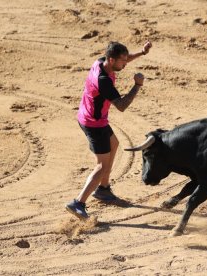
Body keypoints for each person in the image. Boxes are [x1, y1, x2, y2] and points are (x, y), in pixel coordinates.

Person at [65, 41, 152, 220]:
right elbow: (121, 105)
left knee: (114, 143)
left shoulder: (100, 61)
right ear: (111, 60)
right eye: (122, 61)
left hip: (91, 117)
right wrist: (137, 85)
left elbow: (124, 58)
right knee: (102, 166)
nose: (125, 63)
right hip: (93, 123)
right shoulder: (103, 81)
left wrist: (142, 53)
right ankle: (78, 202)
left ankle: (103, 190)